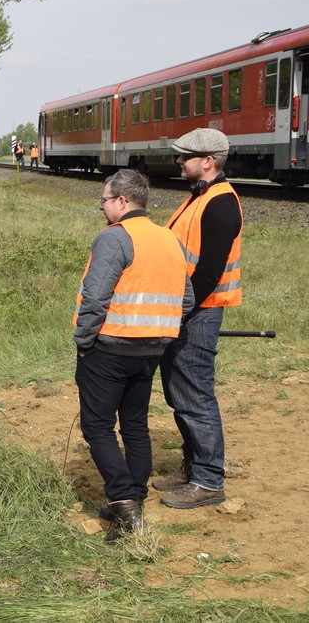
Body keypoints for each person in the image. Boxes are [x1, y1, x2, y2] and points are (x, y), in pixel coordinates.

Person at [74, 169, 193, 541]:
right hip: (152, 348)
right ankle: (135, 499)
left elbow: (95, 297)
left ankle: (125, 505)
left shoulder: (115, 237)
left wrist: (84, 339)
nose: (101, 206)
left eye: (105, 200)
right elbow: (186, 298)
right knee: (135, 424)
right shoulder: (168, 238)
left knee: (97, 426)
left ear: (122, 201)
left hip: (109, 347)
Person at [154, 128, 243, 509]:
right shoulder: (199, 197)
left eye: (184, 156)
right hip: (187, 311)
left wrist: (180, 311)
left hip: (198, 313)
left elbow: (208, 272)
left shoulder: (220, 202)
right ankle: (193, 466)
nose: (178, 161)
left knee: (195, 396)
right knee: (180, 394)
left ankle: (208, 480)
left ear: (208, 161)